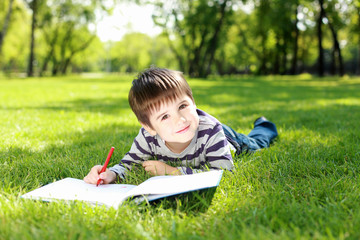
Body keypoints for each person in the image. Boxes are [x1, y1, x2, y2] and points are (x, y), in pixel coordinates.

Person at [84, 67, 278, 184]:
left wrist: (173, 172)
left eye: (183, 106)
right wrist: (111, 174)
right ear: (149, 126)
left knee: (256, 142)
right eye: (165, 116)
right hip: (203, 130)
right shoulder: (147, 137)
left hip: (227, 138)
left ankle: (264, 125)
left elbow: (225, 173)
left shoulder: (212, 132)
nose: (180, 119)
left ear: (193, 101)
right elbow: (129, 164)